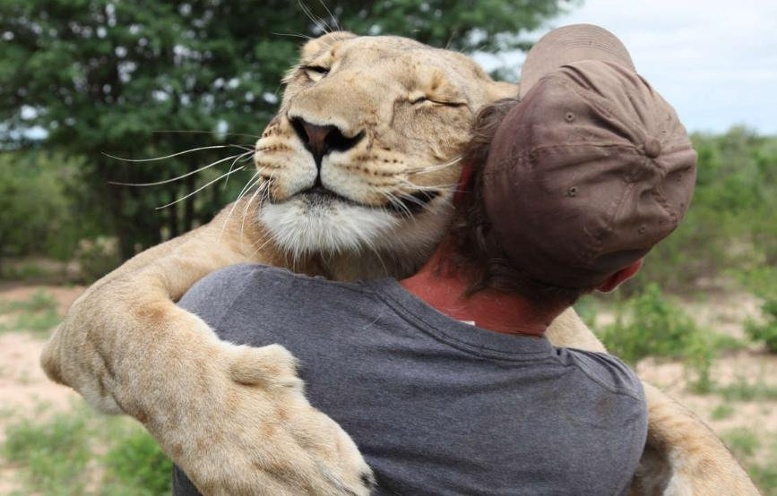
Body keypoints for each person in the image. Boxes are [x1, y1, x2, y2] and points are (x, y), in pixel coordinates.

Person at [172, 23, 697, 495]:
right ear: (620, 275)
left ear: (466, 175)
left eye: (434, 104)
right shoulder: (614, 416)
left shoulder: (235, 307)